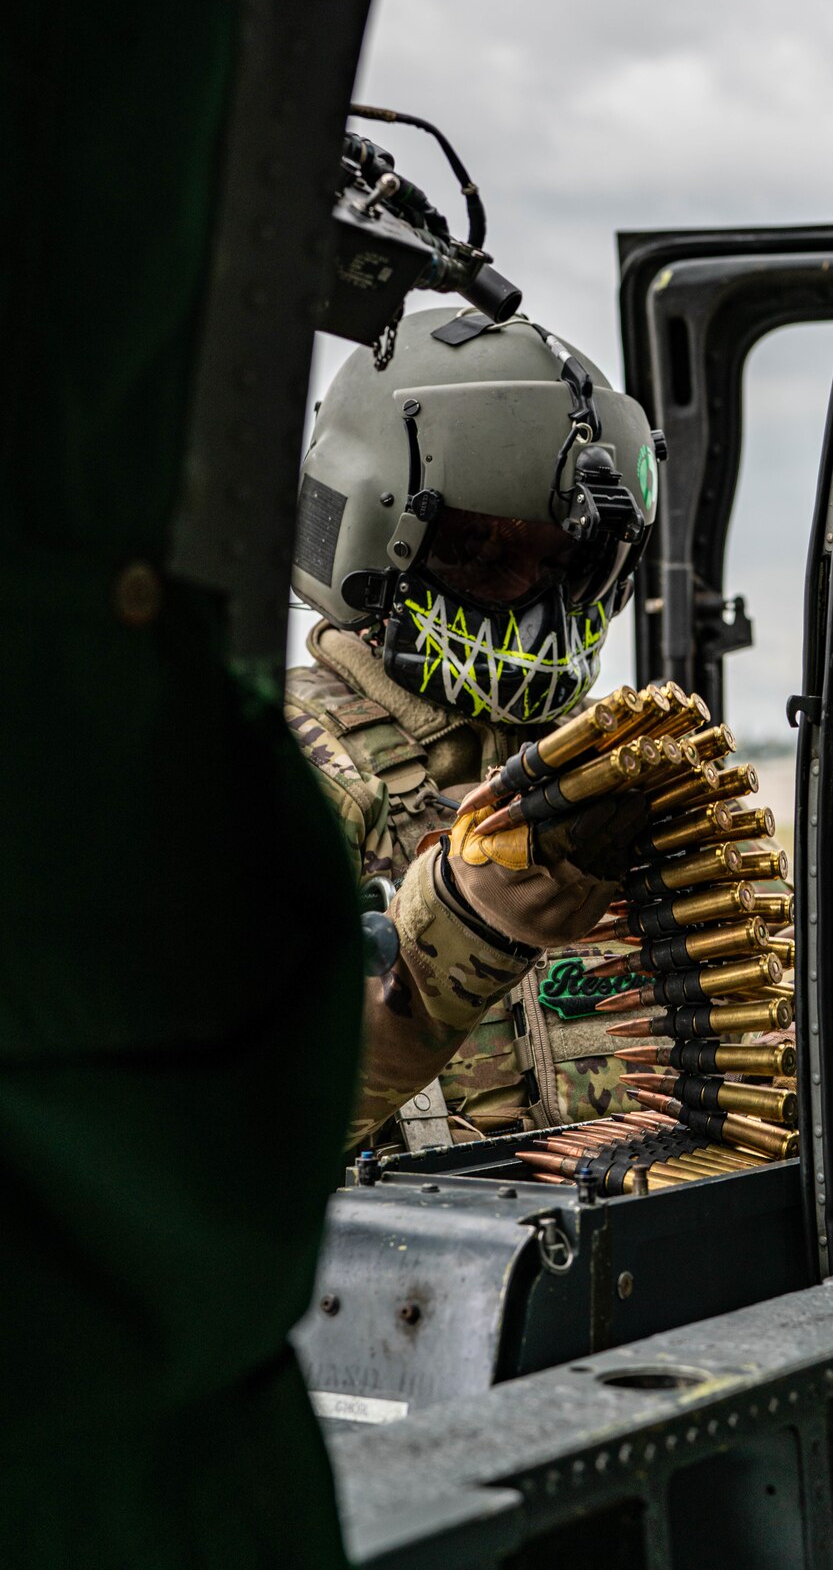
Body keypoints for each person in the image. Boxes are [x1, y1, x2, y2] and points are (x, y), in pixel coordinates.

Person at [287, 303, 665, 1145]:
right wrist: (464, 920)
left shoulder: (620, 769)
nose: (542, 609)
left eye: (569, 565)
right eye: (486, 553)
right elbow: (221, 1127)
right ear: (375, 538)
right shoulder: (285, 776)